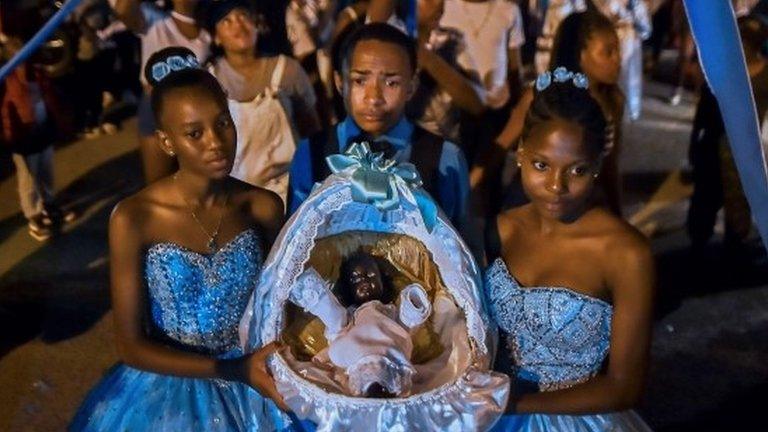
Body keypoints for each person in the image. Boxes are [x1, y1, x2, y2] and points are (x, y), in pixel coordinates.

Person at [69, 47, 289, 431]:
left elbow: (281, 306)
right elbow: (131, 346)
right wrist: (231, 369)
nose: (215, 142)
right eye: (194, 133)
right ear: (167, 141)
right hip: (168, 392)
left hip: (254, 383)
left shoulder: (263, 207)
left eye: (223, 123)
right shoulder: (135, 218)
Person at [483, 69, 655, 431]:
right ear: (521, 154)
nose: (556, 186)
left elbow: (625, 387)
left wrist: (516, 403)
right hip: (488, 412)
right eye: (541, 165)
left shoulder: (625, 253)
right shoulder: (500, 228)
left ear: (596, 167)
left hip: (572, 420)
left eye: (576, 170)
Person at [287, 23, 471, 235]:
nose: (374, 98)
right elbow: (292, 244)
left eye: (391, 83)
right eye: (359, 81)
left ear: (411, 86)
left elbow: (464, 250)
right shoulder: (312, 152)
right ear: (340, 82)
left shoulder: (445, 158)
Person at [472, 10, 623, 218]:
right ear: (580, 53)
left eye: (618, 51)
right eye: (608, 52)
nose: (618, 60)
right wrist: (470, 189)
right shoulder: (545, 96)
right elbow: (500, 146)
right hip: (533, 203)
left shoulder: (613, 100)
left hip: (580, 203)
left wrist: (616, 211)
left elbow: (610, 167)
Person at [204, 0, 321, 203]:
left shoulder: (287, 70)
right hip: (238, 195)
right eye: (227, 21)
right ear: (216, 37)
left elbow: (312, 128)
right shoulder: (208, 81)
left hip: (293, 187)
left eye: (243, 16)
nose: (238, 26)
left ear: (257, 24)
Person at [288, 253, 431, 398]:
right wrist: (320, 359)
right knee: (337, 319)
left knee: (403, 327)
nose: (364, 282)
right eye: (355, 280)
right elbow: (339, 336)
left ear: (383, 281)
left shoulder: (389, 310)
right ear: (347, 288)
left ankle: (381, 387)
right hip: (352, 340)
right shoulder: (350, 314)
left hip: (387, 347)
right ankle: (308, 289)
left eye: (371, 276)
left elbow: (404, 329)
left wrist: (413, 307)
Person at [687, 15, 768, 258]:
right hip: (713, 147)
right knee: (705, 199)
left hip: (744, 152)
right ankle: (698, 245)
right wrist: (694, 144)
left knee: (739, 201)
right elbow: (703, 111)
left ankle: (735, 245)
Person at [110, 0, 210, 183]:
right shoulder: (153, 18)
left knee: (201, 181)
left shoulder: (210, 25)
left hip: (197, 111)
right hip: (156, 108)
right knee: (159, 182)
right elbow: (123, 10)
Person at [0, 12, 76, 241]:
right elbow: (6, 114)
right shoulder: (7, 82)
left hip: (43, 131)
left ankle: (49, 205)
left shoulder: (38, 74)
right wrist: (11, 139)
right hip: (24, 138)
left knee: (46, 171)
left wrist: (61, 121)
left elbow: (51, 98)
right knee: (28, 179)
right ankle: (33, 214)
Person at [407, 0, 485, 150]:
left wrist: (428, 59)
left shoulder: (451, 41)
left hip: (446, 153)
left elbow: (477, 103)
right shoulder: (390, 46)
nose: (438, 4)